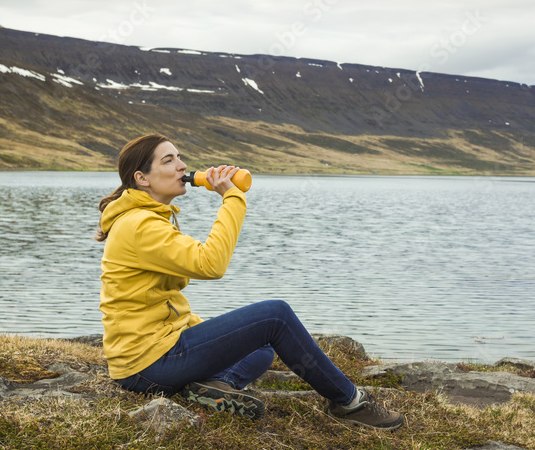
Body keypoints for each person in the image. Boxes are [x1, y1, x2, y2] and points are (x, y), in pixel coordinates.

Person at [95, 134, 403, 430]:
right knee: (275, 316)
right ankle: (350, 402)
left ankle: (212, 388)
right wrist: (232, 197)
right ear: (142, 178)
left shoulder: (145, 218)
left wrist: (212, 339)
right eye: (168, 160)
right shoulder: (140, 225)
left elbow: (159, 302)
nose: (181, 166)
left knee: (263, 349)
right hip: (147, 366)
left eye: (180, 157)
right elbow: (210, 264)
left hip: (149, 358)